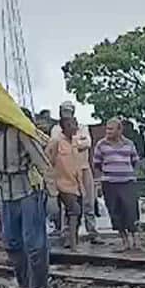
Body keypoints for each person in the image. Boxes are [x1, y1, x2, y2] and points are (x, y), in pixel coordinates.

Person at [0, 113, 54, 288]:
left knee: (34, 244)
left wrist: (53, 191)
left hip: (28, 189)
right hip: (6, 192)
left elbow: (41, 161)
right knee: (12, 243)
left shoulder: (21, 131)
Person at [49, 103, 98, 241]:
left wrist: (72, 142)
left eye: (69, 111)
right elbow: (55, 144)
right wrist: (75, 142)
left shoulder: (82, 127)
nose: (66, 113)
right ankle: (67, 234)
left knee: (89, 201)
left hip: (83, 167)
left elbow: (87, 143)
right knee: (68, 204)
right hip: (65, 171)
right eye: (64, 111)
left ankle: (92, 231)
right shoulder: (56, 129)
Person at [92, 118, 141, 252]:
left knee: (131, 210)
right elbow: (96, 164)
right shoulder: (101, 145)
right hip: (110, 183)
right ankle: (124, 241)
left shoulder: (129, 144)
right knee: (115, 212)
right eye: (107, 128)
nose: (108, 131)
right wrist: (102, 178)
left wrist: (133, 175)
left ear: (119, 130)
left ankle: (135, 241)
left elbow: (135, 161)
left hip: (127, 182)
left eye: (111, 129)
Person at [46, 112, 86, 250]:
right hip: (62, 183)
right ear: (63, 128)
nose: (73, 127)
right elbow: (47, 160)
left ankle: (72, 240)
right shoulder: (56, 142)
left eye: (74, 124)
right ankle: (73, 244)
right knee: (74, 209)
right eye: (70, 125)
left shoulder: (75, 142)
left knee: (77, 213)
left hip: (75, 182)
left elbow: (76, 162)